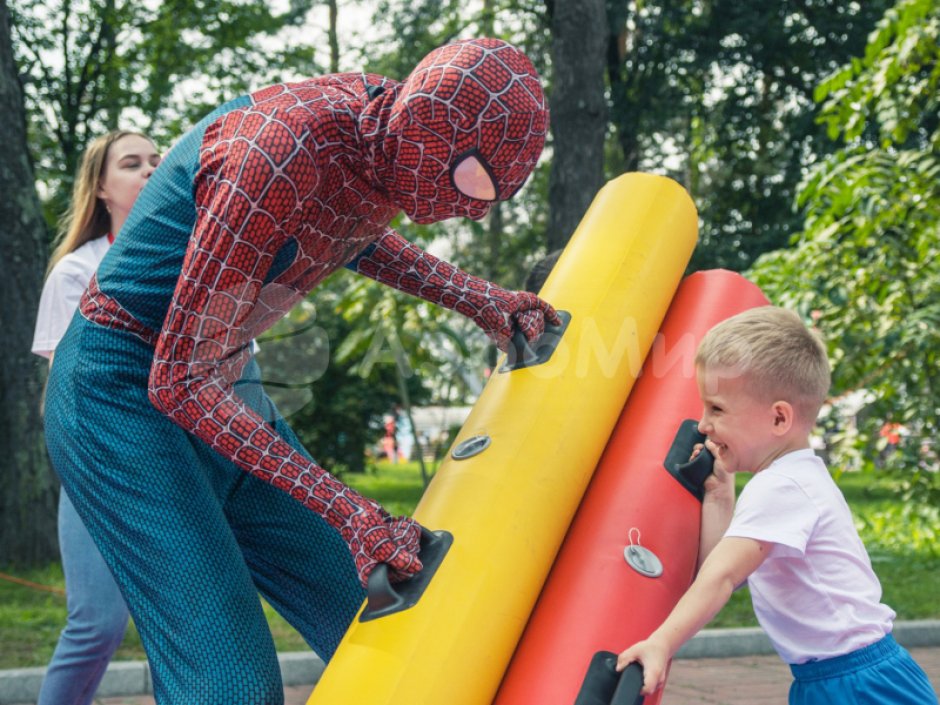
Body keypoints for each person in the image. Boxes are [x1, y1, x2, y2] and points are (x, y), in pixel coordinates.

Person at [42, 37, 559, 704]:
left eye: (494, 196)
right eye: (473, 182)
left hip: (215, 377)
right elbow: (178, 381)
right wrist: (352, 512)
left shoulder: (377, 133)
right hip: (118, 394)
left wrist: (477, 297)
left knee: (387, 613)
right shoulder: (271, 154)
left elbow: (350, 228)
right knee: (230, 684)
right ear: (426, 129)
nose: (476, 209)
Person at [616, 306, 937, 705]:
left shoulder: (782, 486)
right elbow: (719, 568)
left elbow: (721, 577)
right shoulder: (792, 478)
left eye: (716, 408)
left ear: (779, 419)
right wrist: (720, 495)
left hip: (858, 684)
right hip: (830, 676)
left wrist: (661, 642)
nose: (702, 424)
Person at [32, 130, 161, 705]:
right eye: (131, 164)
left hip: (181, 466)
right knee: (97, 626)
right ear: (102, 188)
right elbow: (65, 392)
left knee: (186, 629)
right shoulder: (75, 273)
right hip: (100, 466)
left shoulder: (198, 260)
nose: (150, 170)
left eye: (156, 160)